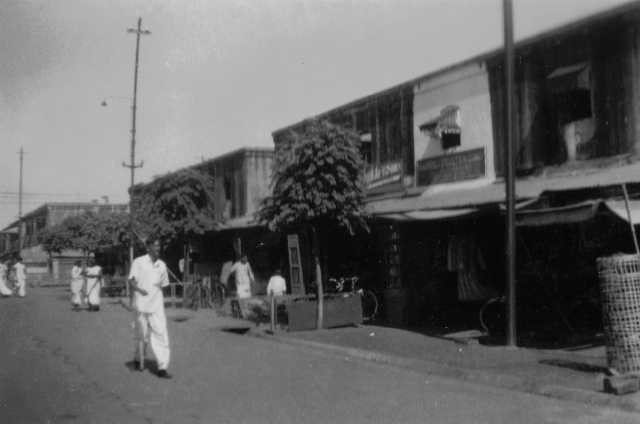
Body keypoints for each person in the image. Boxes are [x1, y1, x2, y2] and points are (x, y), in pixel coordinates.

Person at [128, 237, 172, 379]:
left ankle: (162, 368)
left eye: (159, 245)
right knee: (141, 335)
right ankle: (137, 359)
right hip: (140, 303)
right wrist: (140, 291)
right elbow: (131, 281)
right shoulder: (139, 262)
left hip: (156, 304)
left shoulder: (162, 265)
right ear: (148, 248)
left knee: (161, 333)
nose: (158, 248)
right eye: (155, 245)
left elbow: (163, 285)